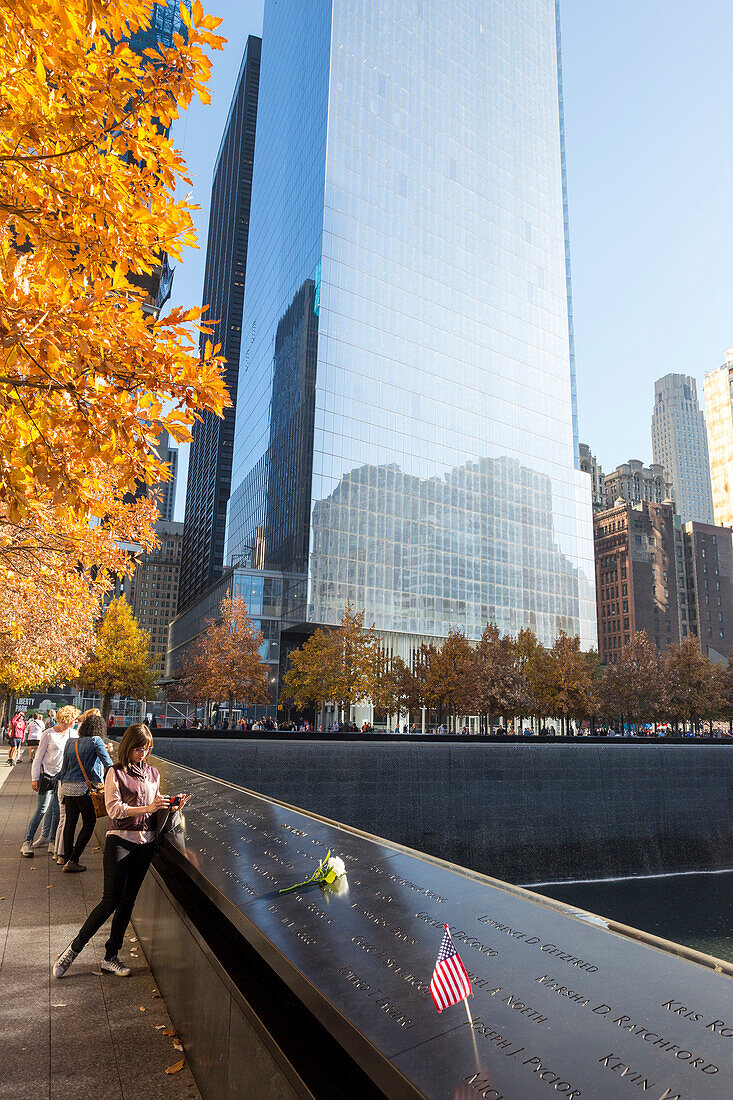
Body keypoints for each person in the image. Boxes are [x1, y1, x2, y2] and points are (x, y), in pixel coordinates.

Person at [53, 724, 170, 979]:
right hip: (120, 841)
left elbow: (153, 804)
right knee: (110, 901)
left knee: (128, 902)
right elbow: (114, 810)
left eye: (148, 748)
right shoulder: (115, 773)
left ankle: (111, 957)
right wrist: (148, 807)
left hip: (146, 843)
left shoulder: (152, 773)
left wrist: (168, 805)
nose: (144, 753)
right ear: (128, 747)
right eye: (139, 748)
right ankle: (72, 950)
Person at [20, 706, 80, 857]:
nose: (76, 721)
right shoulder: (49, 734)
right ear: (67, 719)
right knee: (42, 809)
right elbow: (38, 757)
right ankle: (27, 842)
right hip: (47, 775)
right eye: (74, 718)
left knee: (56, 811)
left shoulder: (74, 734)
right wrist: (35, 778)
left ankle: (53, 841)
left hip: (63, 777)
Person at [57, 713, 113, 872]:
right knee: (89, 823)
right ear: (100, 728)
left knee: (70, 823)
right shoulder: (97, 741)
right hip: (85, 789)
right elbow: (108, 764)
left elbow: (64, 769)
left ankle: (67, 858)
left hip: (67, 788)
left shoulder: (70, 742)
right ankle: (74, 859)